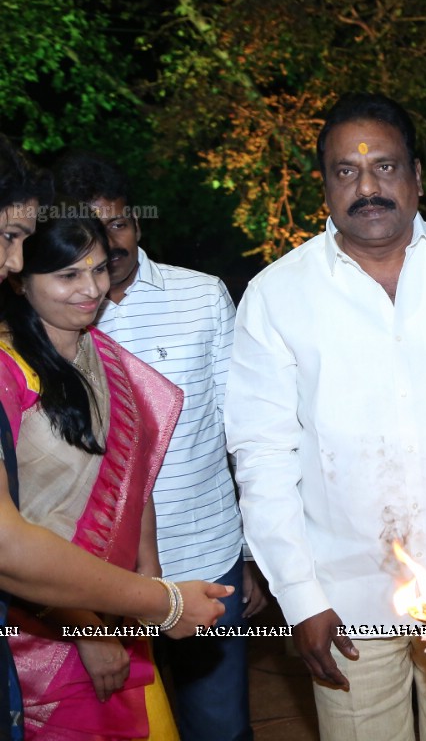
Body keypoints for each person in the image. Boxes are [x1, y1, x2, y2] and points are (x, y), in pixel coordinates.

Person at [225, 93, 426, 740]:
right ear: (325, 185)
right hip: (346, 599)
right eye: (346, 172)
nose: (367, 187)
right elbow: (262, 457)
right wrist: (301, 598)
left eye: (385, 168)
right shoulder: (277, 296)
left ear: (418, 175)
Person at [0, 139, 228, 741]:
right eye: (68, 274)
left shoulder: (109, 360)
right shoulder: (9, 371)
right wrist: (92, 629)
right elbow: (15, 539)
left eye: (99, 269)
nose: (90, 289)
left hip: (124, 606)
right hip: (42, 629)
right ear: (24, 281)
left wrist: (143, 596)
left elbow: (135, 478)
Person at [53, 151, 258, 741]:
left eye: (120, 223)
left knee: (219, 726)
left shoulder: (201, 297)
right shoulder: (55, 315)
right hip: (93, 582)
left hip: (205, 561)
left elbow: (240, 432)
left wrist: (250, 557)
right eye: (93, 230)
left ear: (138, 223)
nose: (110, 244)